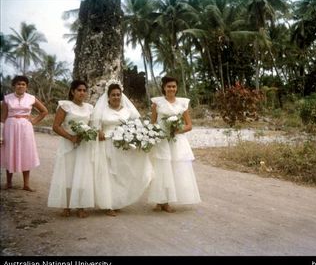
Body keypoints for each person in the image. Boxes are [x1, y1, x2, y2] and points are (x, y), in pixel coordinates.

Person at [91, 80, 153, 216]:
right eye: (113, 95)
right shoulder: (102, 110)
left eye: (118, 94)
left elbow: (137, 124)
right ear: (108, 96)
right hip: (107, 143)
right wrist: (98, 131)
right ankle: (109, 205)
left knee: (121, 174)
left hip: (123, 145)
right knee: (109, 174)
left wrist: (138, 137)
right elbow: (95, 124)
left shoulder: (128, 110)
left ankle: (117, 201)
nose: (116, 97)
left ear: (121, 95)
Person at [148, 76, 201, 212]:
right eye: (168, 86)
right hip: (162, 140)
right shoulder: (157, 103)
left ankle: (168, 202)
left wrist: (178, 130)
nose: (171, 89)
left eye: (173, 86)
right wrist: (154, 135)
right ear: (164, 88)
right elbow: (153, 123)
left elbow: (189, 125)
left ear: (176, 88)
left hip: (177, 141)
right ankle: (160, 201)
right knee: (162, 169)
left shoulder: (182, 104)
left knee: (174, 170)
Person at [47, 80, 94, 218]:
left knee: (82, 174)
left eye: (84, 90)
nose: (82, 93)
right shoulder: (65, 105)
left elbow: (91, 126)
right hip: (68, 144)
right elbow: (56, 126)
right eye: (79, 90)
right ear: (72, 91)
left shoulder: (90, 108)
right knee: (68, 173)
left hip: (83, 145)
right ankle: (66, 205)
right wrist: (70, 137)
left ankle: (80, 205)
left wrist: (87, 133)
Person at [0, 75, 48, 191]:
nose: (20, 86)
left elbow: (44, 111)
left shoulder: (31, 98)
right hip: (10, 127)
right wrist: (0, 135)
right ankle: (9, 182)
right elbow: (2, 118)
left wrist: (34, 121)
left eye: (23, 84)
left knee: (25, 152)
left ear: (26, 86)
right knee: (9, 152)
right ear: (14, 86)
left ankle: (26, 184)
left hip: (25, 127)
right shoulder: (7, 99)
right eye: (18, 84)